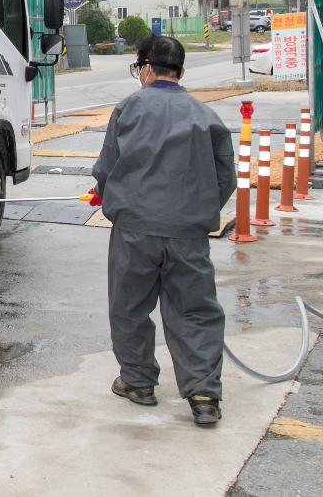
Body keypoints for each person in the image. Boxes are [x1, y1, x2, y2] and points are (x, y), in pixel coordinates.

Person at [89, 35, 236, 427]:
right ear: (181, 71)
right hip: (188, 232)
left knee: (130, 307)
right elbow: (226, 178)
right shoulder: (205, 116)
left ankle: (138, 382)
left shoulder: (129, 108)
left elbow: (106, 168)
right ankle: (203, 395)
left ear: (147, 68)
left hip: (134, 229)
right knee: (195, 311)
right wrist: (196, 212)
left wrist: (108, 195)